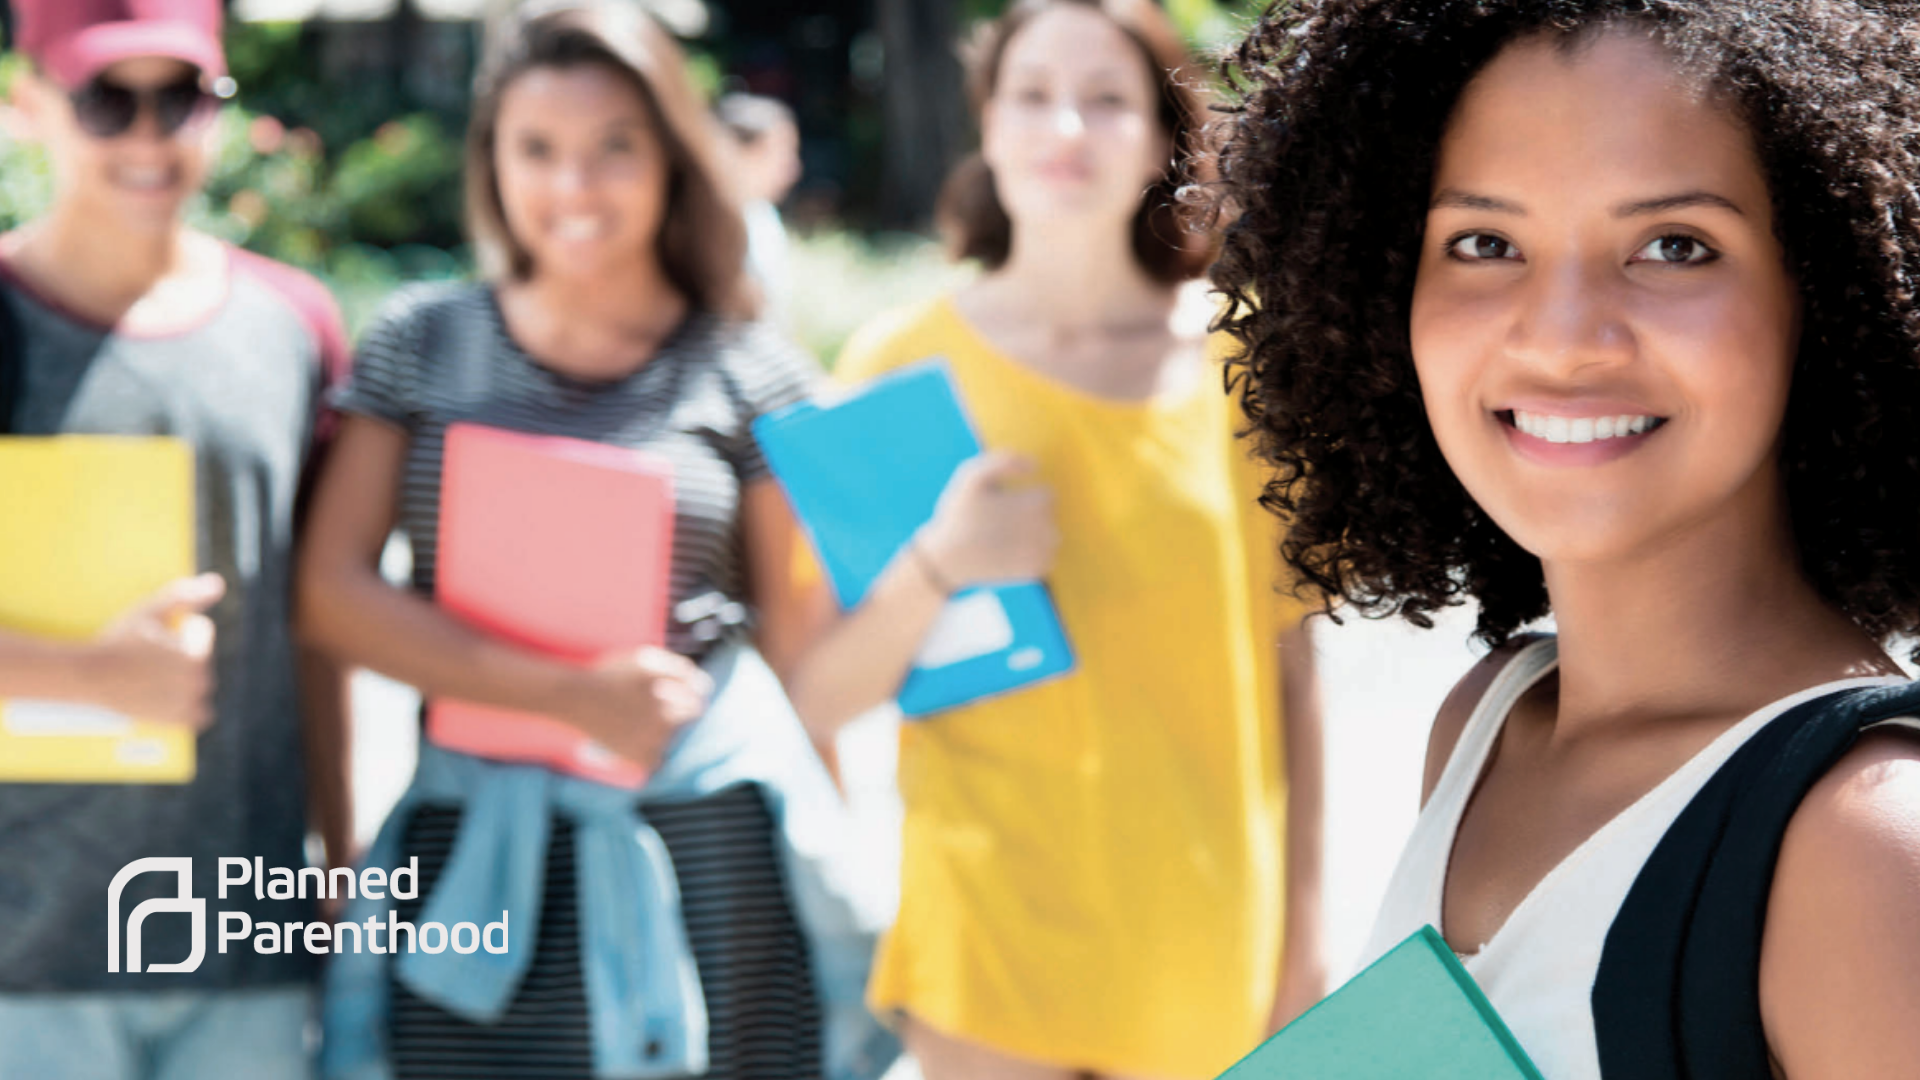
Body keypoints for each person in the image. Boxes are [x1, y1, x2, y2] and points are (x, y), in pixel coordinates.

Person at [1205, 2, 1920, 1077]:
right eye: (1485, 243)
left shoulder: (1864, 843)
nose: (1561, 336)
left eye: (1675, 247)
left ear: (1828, 290)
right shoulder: (1484, 723)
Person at [298, 4, 892, 1080]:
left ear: (670, 155)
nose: (573, 186)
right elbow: (331, 594)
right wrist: (564, 694)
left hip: (707, 860)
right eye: (538, 150)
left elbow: (804, 655)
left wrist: (845, 860)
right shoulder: (418, 344)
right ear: (492, 165)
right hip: (470, 853)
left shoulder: (751, 370)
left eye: (613, 146)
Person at [777, 2, 1329, 1077]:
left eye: (1107, 99)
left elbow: (1293, 679)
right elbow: (815, 699)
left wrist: (1303, 947)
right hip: (987, 952)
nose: (1064, 127)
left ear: (1166, 140)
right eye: (1032, 95)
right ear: (987, 125)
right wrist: (939, 566)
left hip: (1206, 942)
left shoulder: (1242, 367)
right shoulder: (898, 366)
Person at [0, 0, 353, 1076]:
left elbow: (317, 626)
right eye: (108, 101)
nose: (148, 137)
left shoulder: (295, 327)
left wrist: (338, 864)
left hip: (241, 946)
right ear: (29, 110)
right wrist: (92, 675)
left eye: (181, 98)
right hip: (25, 954)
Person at [713, 92, 801, 325]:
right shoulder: (708, 226)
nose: (792, 169)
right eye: (782, 153)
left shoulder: (762, 215)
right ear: (739, 152)